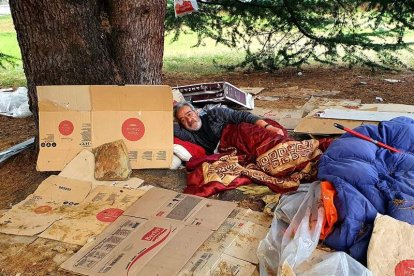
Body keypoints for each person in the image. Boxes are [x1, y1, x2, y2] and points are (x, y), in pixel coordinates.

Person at [173, 102, 284, 154]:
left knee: (260, 134)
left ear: (196, 112)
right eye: (183, 119)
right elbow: (165, 126)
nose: (188, 120)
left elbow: (242, 116)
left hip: (239, 134)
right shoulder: (187, 134)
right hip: (230, 148)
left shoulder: (215, 114)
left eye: (189, 114)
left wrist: (268, 127)